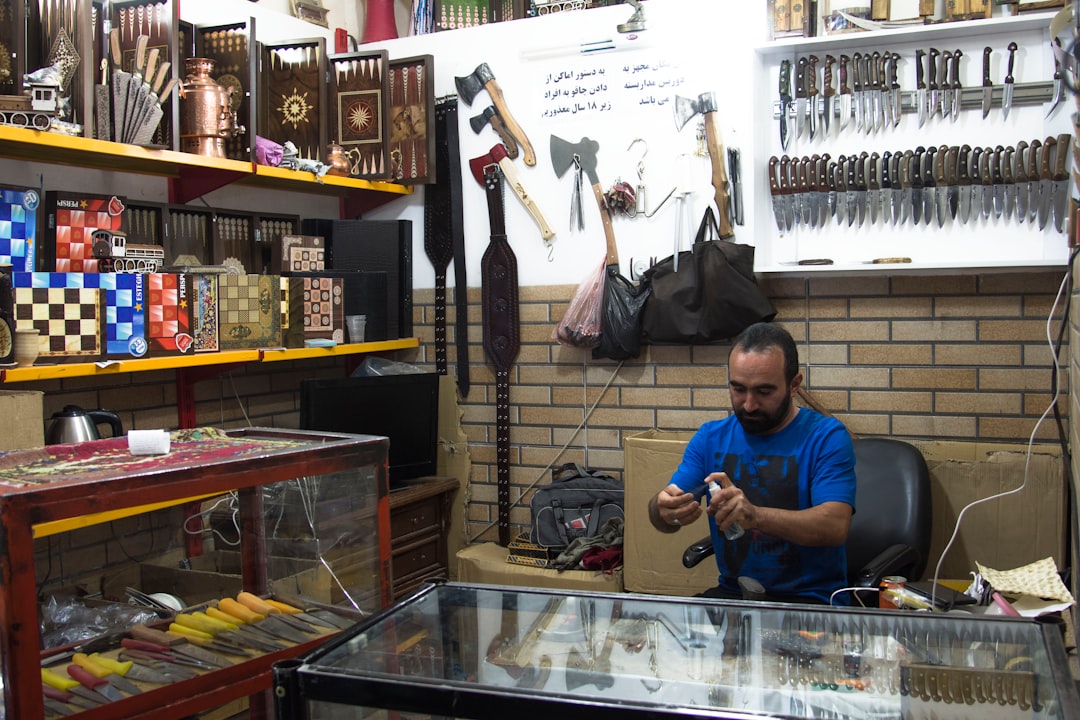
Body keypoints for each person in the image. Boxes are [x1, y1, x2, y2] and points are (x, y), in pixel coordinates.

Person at [648, 322, 856, 604]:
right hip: (736, 595)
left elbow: (835, 526)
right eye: (738, 389)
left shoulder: (826, 437)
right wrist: (664, 509)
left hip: (812, 601)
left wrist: (756, 516)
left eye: (764, 392)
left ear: (794, 384)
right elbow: (664, 518)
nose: (748, 404)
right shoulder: (710, 438)